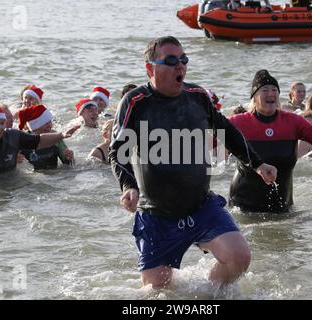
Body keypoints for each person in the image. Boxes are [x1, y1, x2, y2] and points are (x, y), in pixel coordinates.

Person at [109, 36, 277, 289]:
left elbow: (226, 131)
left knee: (239, 258)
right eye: (171, 60)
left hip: (200, 206)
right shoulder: (135, 102)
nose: (180, 66)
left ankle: (206, 294)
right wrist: (128, 186)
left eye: (184, 59)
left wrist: (257, 163)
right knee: (159, 291)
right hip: (157, 214)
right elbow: (116, 152)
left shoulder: (197, 96)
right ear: (150, 68)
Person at [228, 70, 312, 213]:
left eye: (274, 89)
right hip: (243, 208)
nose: (270, 93)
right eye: (265, 90)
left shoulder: (292, 121)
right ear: (254, 97)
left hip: (283, 207)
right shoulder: (239, 122)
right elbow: (209, 141)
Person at [19, 104, 75, 170]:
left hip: (54, 176)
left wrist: (69, 158)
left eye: (50, 121)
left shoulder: (55, 136)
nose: (50, 125)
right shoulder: (23, 139)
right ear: (35, 126)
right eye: (46, 123)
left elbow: (70, 165)